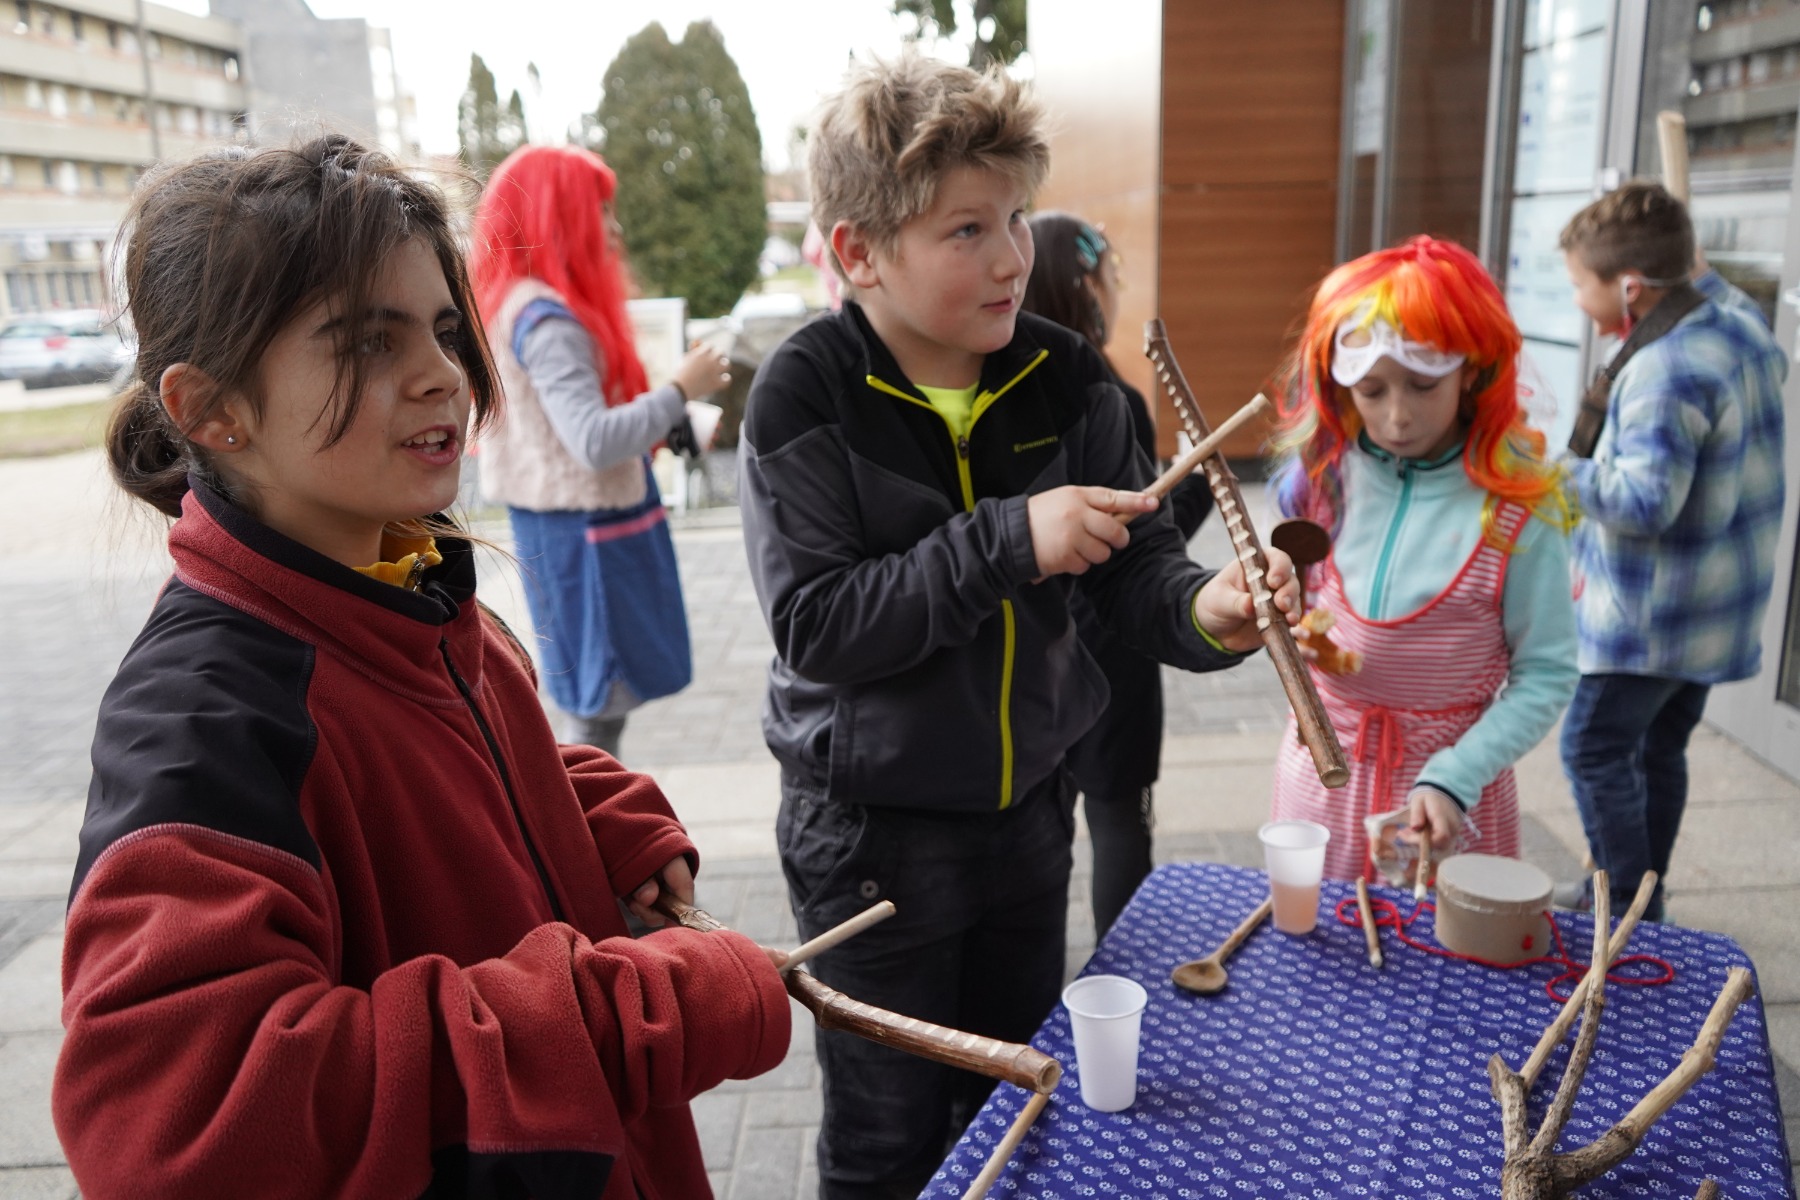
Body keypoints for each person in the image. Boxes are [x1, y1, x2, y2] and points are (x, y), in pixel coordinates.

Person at [54, 135, 791, 1200]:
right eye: (367, 340)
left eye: (445, 329)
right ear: (211, 409)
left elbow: (442, 766)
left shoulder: (411, 578)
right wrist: (627, 1013)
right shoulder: (206, 717)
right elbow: (180, 1126)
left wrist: (579, 813)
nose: (442, 373)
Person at [738, 56, 1298, 1199]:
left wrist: (1211, 609)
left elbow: (1138, 576)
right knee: (885, 1141)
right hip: (870, 844)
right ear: (859, 252)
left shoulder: (1068, 374)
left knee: (1013, 1109)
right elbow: (819, 626)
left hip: (1032, 817)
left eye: (1015, 217)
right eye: (965, 229)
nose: (1011, 258)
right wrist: (1007, 541)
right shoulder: (806, 391)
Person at [1266, 235, 1579, 883]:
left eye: (1423, 385)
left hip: (1443, 803)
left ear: (1474, 372)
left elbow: (1547, 674)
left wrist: (1455, 777)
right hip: (1319, 785)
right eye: (1371, 390)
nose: (1397, 417)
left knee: (1442, 949)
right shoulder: (1323, 481)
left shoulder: (1517, 510)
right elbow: (1302, 611)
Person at [1557, 182, 1786, 922]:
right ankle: (1642, 901)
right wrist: (1685, 257)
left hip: (1653, 621)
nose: (1577, 302)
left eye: (1580, 285)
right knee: (1658, 750)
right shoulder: (1741, 325)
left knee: (1592, 749)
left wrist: (1550, 471)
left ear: (1630, 288)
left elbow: (1645, 501)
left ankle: (1625, 907)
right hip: (1716, 613)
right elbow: (1704, 281)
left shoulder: (1664, 368)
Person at [469, 144, 730, 758]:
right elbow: (592, 441)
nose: (615, 228)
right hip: (587, 540)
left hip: (566, 533)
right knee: (596, 714)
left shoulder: (516, 306)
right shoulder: (549, 320)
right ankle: (585, 816)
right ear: (560, 216)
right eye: (602, 209)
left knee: (590, 703)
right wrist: (680, 389)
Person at [1021, 211, 1214, 937]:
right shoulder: (1106, 395)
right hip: (1112, 649)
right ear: (1083, 285)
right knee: (1119, 824)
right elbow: (1137, 542)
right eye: (1109, 275)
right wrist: (1196, 475)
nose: (1115, 289)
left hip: (1033, 657)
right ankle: (1121, 978)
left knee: (1042, 830)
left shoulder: (1011, 394)